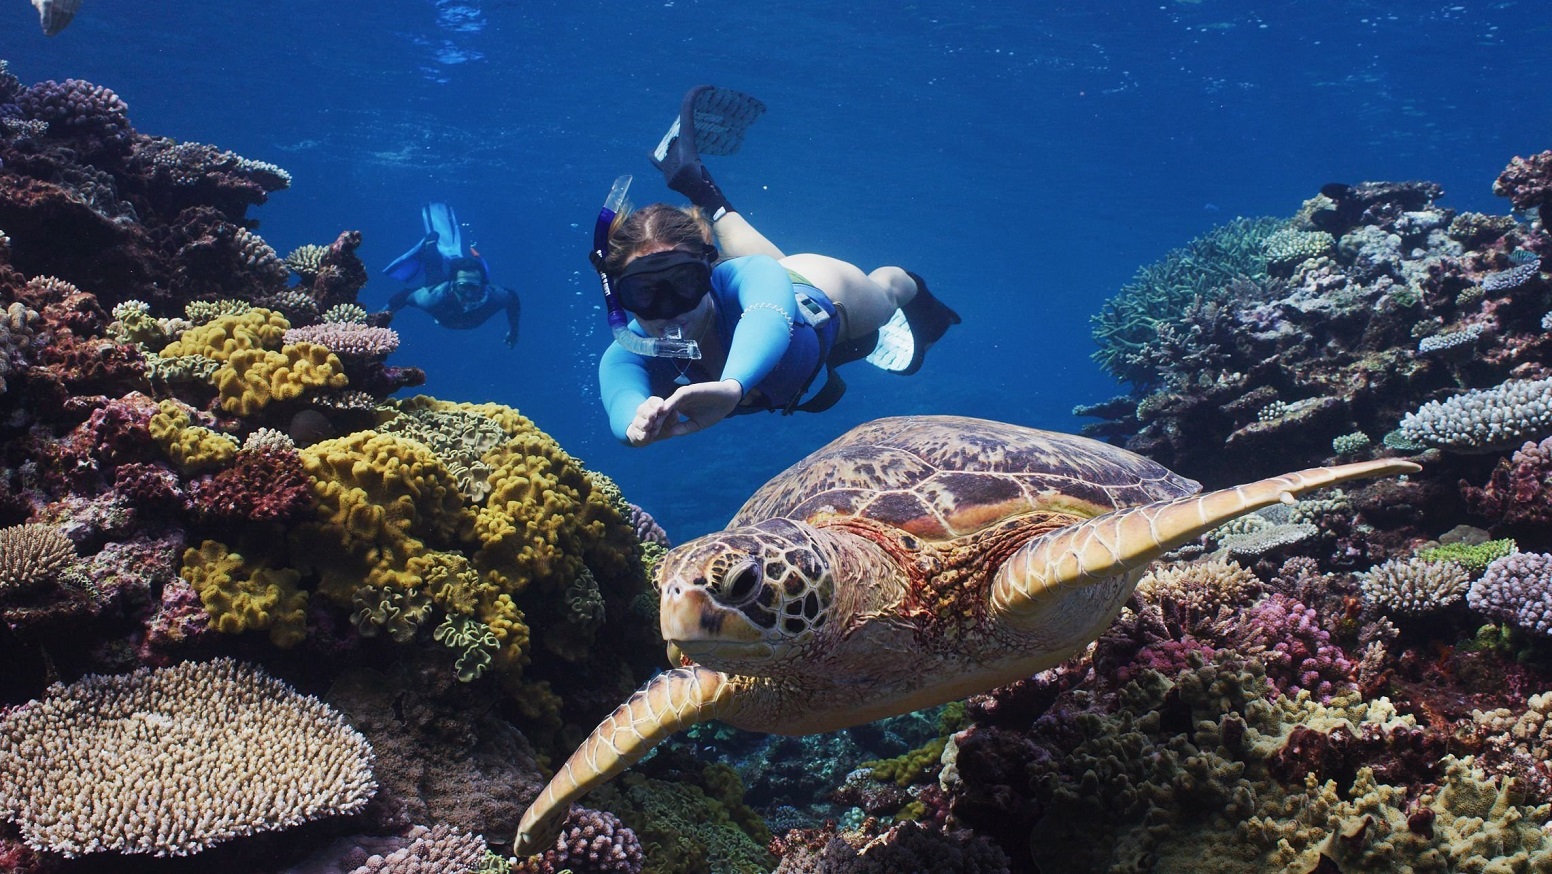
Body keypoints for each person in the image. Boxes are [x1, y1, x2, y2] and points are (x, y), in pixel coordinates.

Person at [596, 86, 960, 447]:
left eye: (683, 283)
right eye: (644, 292)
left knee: (884, 292)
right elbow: (620, 391)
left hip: (830, 298)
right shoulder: (632, 348)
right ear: (618, 296)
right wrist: (635, 423)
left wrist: (731, 386)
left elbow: (768, 314)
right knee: (776, 265)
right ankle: (705, 194)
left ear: (708, 271)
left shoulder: (752, 277)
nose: (669, 309)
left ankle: (912, 286)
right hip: (782, 306)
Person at [382, 203, 522, 348]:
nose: (468, 293)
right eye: (463, 287)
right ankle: (431, 241)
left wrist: (514, 331)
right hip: (441, 287)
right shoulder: (433, 297)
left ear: (482, 286)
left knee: (436, 269)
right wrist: (379, 319)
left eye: (473, 288)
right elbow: (404, 296)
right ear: (453, 284)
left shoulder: (494, 296)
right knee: (433, 268)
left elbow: (513, 298)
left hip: (451, 293)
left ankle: (451, 256)